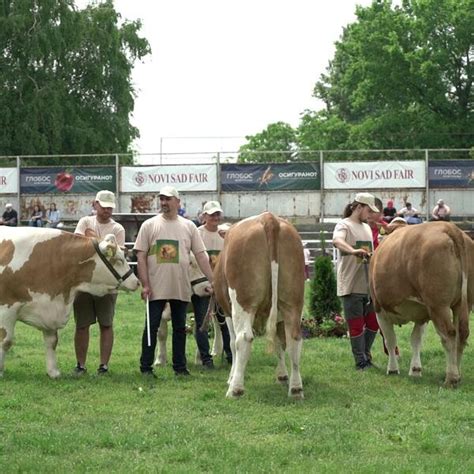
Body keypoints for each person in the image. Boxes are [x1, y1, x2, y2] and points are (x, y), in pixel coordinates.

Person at [134, 186, 214, 377]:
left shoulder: (189, 226)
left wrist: (214, 279)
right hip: (155, 288)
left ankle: (180, 367)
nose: (164, 202)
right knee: (151, 327)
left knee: (180, 328)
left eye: (168, 199)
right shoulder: (149, 225)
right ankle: (146, 367)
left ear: (178, 202)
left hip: (181, 286)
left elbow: (201, 256)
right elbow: (141, 256)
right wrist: (145, 284)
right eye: (161, 199)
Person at [72, 190, 126, 376]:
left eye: (110, 208)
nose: (107, 211)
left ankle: (103, 366)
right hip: (85, 283)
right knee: (82, 324)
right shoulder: (85, 222)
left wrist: (95, 245)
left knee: (106, 324)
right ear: (95, 205)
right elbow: (78, 249)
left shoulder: (118, 229)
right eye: (103, 207)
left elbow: (117, 257)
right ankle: (80, 365)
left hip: (107, 286)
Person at [332, 192, 379, 370]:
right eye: (368, 210)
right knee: (357, 326)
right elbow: (337, 241)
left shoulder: (367, 227)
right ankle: (360, 362)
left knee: (374, 323)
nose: (370, 214)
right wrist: (353, 251)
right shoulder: (344, 225)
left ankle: (366, 354)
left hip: (369, 286)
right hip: (351, 285)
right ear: (358, 207)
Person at [192, 200, 232, 368]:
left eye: (217, 214)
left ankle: (231, 355)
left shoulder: (226, 235)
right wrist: (206, 284)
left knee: (226, 322)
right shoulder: (197, 234)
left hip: (221, 286)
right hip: (202, 286)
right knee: (202, 322)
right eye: (212, 214)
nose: (215, 217)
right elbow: (194, 261)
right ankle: (206, 358)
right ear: (204, 216)